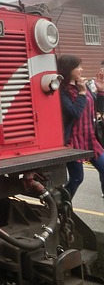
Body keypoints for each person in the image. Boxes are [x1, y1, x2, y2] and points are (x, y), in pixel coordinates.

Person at [57, 55, 104, 198]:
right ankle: (63, 204)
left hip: (90, 138)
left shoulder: (83, 86)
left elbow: (98, 109)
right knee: (77, 178)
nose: (81, 69)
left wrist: (101, 91)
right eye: (77, 67)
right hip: (74, 141)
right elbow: (75, 112)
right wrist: (82, 93)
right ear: (68, 70)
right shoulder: (63, 91)